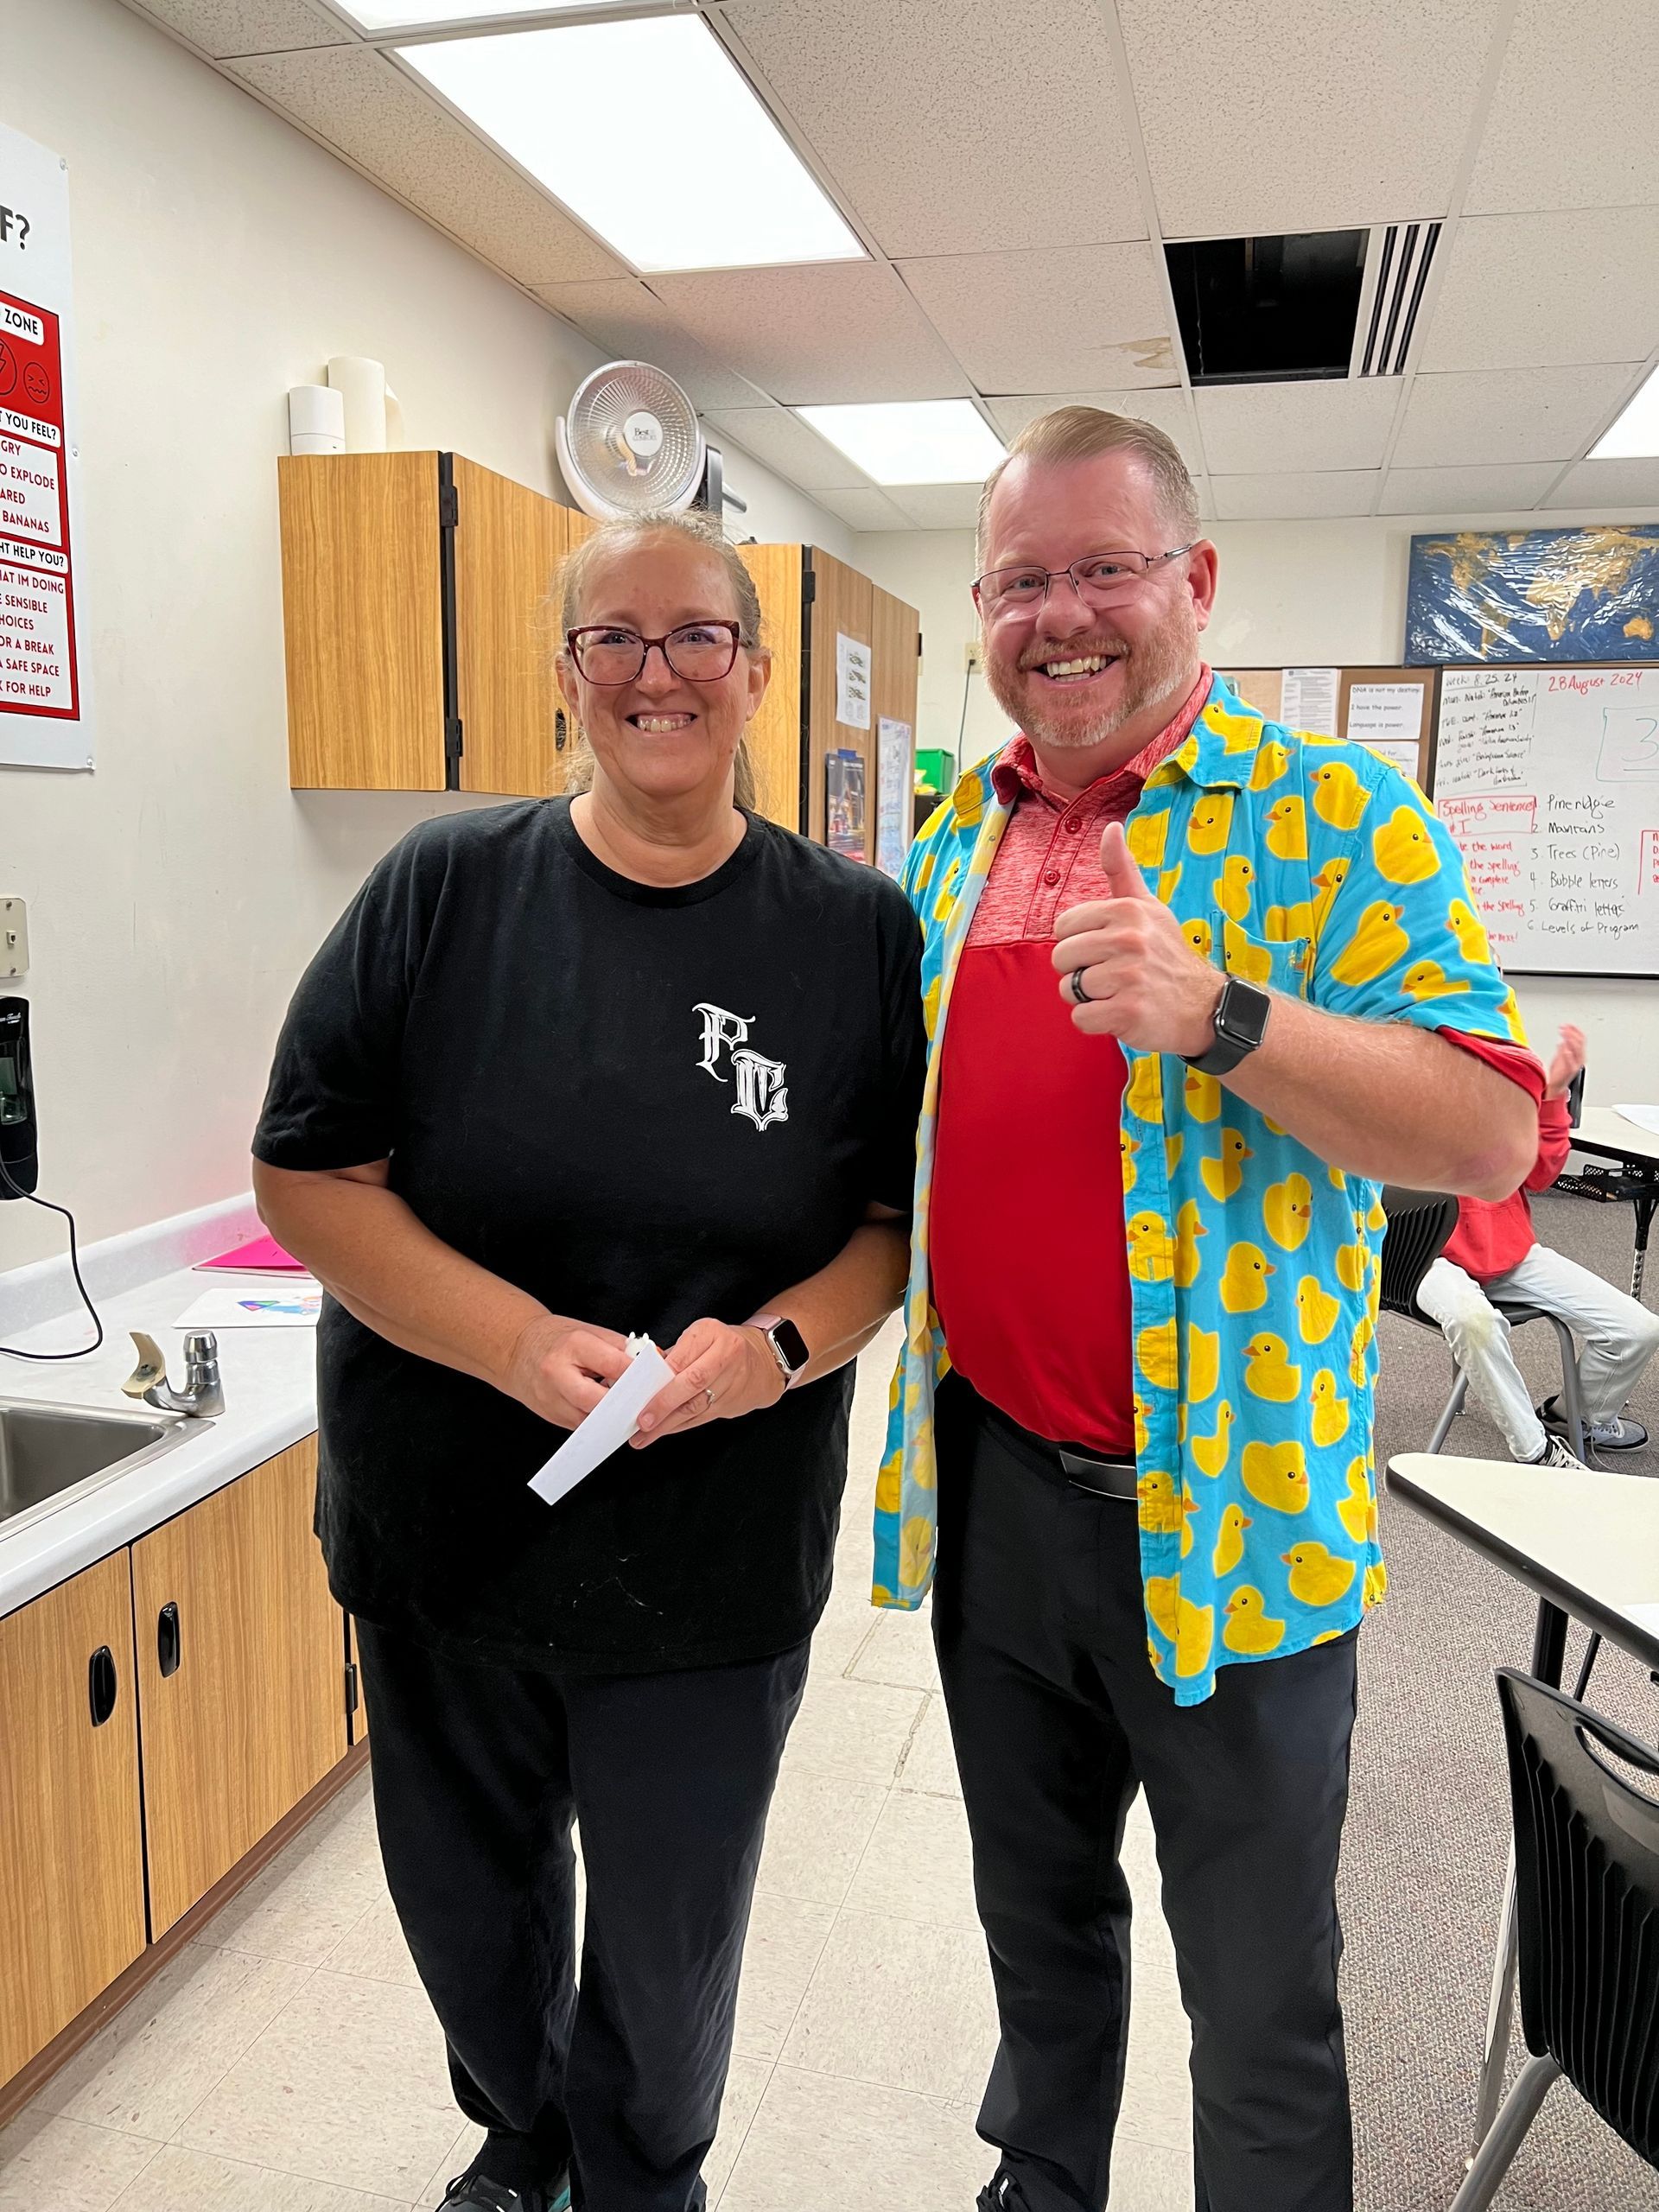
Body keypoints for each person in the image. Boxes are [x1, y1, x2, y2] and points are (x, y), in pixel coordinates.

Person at [870, 406, 1539, 2212]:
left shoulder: (1331, 817)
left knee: (1258, 1993)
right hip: (999, 1492)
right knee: (1039, 1928)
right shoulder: (952, 834)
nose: (1062, 615)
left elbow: (1489, 1127)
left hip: (1233, 1514)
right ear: (984, 606)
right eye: (1023, 579)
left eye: (1106, 568)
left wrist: (1226, 1015)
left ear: (1197, 585)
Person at [251, 507, 925, 2212]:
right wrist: (515, 1337)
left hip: (710, 1548)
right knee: (468, 1910)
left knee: (669, 1930)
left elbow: (889, 1226)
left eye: (696, 633)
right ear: (563, 675)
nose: (655, 670)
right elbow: (307, 1171)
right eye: (612, 637)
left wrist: (776, 1347)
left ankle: (644, 2174)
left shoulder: (851, 933)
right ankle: (519, 2129)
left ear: (758, 673)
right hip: (446, 1524)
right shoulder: (443, 891)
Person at [1417, 1021, 1659, 1466]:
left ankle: (1573, 1418)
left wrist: (1553, 1092)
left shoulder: (1502, 1064)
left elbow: (1540, 1174)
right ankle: (1539, 1453)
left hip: (1507, 1248)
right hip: (1424, 1254)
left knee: (1637, 1330)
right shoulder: (1409, 1058)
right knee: (1476, 1323)